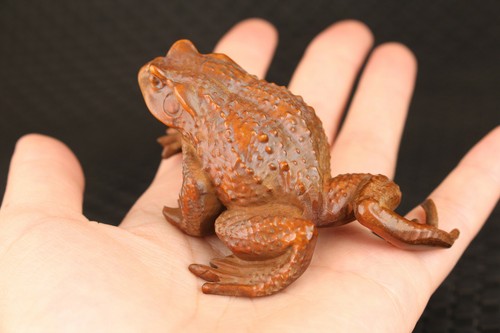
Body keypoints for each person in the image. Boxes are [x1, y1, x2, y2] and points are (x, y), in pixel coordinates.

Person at [0, 18, 498, 332]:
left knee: (223, 226)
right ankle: (398, 222)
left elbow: (197, 209)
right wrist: (193, 135)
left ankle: (284, 261)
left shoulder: (200, 135)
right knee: (366, 195)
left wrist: (187, 209)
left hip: (282, 205)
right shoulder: (211, 114)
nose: (157, 75)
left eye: (164, 83)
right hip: (319, 190)